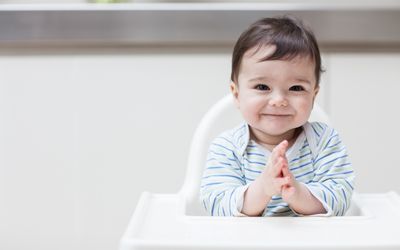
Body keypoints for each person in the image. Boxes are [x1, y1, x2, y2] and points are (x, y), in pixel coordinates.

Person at [200, 16, 355, 217]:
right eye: (262, 87)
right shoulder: (227, 148)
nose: (279, 100)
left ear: (313, 95)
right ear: (237, 94)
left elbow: (340, 196)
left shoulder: (325, 141)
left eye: (296, 88)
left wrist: (297, 194)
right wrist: (263, 189)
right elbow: (217, 203)